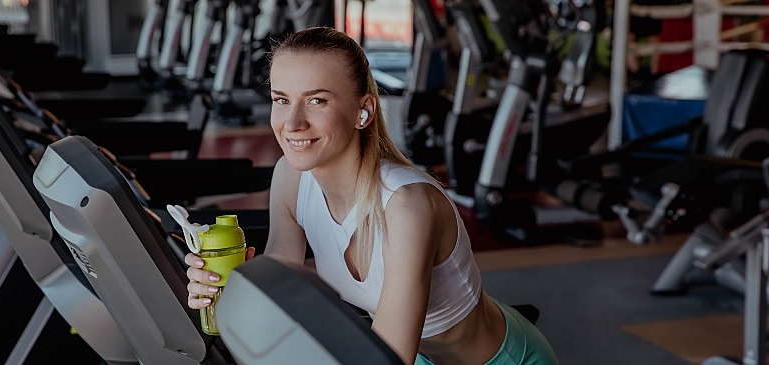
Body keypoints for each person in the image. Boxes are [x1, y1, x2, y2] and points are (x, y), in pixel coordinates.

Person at [185, 26, 559, 365]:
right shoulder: (290, 178)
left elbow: (389, 360)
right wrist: (227, 290)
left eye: (317, 100)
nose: (292, 122)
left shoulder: (406, 206)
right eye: (281, 99)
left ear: (362, 111)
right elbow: (282, 296)